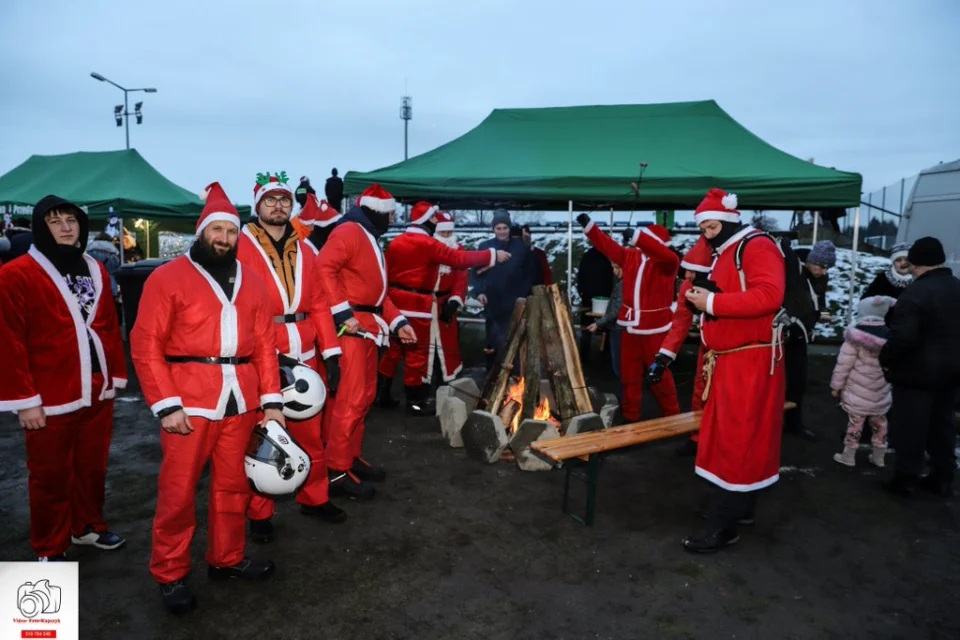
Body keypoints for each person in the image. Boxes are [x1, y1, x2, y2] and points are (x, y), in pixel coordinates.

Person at [131, 182, 284, 613]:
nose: (224, 238)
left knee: (233, 486)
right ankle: (170, 572)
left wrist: (271, 402)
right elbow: (145, 344)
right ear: (201, 232)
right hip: (189, 403)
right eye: (216, 230)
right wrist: (167, 405)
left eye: (231, 232)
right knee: (178, 492)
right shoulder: (167, 277)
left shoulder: (252, 282)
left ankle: (227, 558)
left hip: (242, 400)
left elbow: (266, 347)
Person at [0, 195, 127, 561]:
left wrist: (114, 377)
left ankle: (86, 527)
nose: (66, 227)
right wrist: (25, 402)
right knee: (50, 477)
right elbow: (8, 341)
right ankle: (50, 546)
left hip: (96, 388)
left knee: (91, 467)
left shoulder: (96, 268)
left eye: (71, 220)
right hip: (48, 395)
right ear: (42, 227)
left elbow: (106, 326)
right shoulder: (15, 275)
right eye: (56, 222)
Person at [238, 173, 347, 543]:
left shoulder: (307, 249)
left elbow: (318, 302)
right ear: (258, 206)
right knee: (265, 435)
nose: (279, 205)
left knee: (311, 436)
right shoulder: (240, 245)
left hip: (306, 352)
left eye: (284, 199)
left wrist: (331, 352)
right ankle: (259, 511)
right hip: (262, 353)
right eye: (270, 200)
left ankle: (315, 497)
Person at [682, 188, 786, 553]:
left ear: (728, 221)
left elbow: (769, 294)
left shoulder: (756, 246)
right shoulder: (729, 250)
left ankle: (725, 525)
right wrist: (707, 300)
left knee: (739, 438)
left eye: (711, 228)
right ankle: (738, 507)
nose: (707, 235)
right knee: (738, 436)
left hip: (750, 362)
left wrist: (710, 301)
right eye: (704, 229)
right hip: (734, 360)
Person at [315, 184, 418, 500]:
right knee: (350, 400)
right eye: (390, 213)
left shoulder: (367, 236)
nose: (393, 218)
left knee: (363, 398)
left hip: (369, 328)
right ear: (378, 211)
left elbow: (378, 295)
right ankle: (335, 470)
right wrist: (342, 313)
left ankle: (349, 458)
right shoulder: (349, 232)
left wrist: (398, 322)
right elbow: (323, 268)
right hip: (353, 330)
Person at [382, 201, 508, 414]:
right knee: (417, 354)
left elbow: (459, 278)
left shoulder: (396, 243)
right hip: (420, 306)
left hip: (399, 306)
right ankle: (414, 402)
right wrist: (492, 255)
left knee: (404, 351)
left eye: (450, 231)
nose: (447, 234)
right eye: (442, 229)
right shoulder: (430, 246)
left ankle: (384, 393)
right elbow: (459, 260)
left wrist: (454, 300)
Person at [576, 214, 681, 422]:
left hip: (655, 329)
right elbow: (607, 246)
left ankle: (673, 416)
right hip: (629, 328)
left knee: (659, 376)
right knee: (628, 376)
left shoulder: (668, 262)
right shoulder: (631, 256)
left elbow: (666, 256)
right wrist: (589, 226)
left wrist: (639, 237)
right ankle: (630, 416)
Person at [879, 237, 960, 498]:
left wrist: (886, 359)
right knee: (943, 425)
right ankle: (942, 476)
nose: (910, 268)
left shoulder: (914, 293)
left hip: (916, 374)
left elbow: (902, 337)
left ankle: (906, 478)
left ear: (919, 264)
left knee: (910, 427)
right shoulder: (957, 287)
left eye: (912, 263)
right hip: (952, 373)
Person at [647, 236, 715, 456]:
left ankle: (720, 441)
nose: (686, 276)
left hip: (732, 350)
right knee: (699, 392)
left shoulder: (726, 282)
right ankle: (696, 438)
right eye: (685, 270)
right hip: (707, 349)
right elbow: (680, 323)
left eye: (692, 272)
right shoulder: (688, 286)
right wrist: (663, 358)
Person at [830, 296, 896, 468]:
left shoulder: (854, 337)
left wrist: (836, 387)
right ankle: (879, 457)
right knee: (880, 424)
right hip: (881, 393)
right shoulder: (891, 336)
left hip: (857, 394)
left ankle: (848, 456)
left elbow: (843, 365)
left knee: (855, 425)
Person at [783, 240, 835, 441]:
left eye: (827, 268)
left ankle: (794, 422)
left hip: (802, 335)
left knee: (798, 381)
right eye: (821, 266)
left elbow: (819, 301)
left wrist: (822, 313)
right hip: (785, 330)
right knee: (774, 381)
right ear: (810, 261)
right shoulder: (793, 270)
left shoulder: (820, 276)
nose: (823, 272)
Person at [474, 210, 531, 371]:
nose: (501, 231)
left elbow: (530, 275)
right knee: (492, 339)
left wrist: (525, 296)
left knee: (514, 338)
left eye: (504, 228)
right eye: (498, 228)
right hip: (492, 301)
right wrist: (480, 292)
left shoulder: (521, 248)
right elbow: (476, 273)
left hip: (515, 302)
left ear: (509, 228)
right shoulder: (485, 247)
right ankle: (491, 374)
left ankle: (515, 374)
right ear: (493, 229)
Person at [576, 245, 615, 364]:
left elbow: (580, 277)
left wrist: (582, 293)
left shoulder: (587, 256)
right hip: (605, 297)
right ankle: (605, 354)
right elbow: (610, 279)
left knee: (586, 327)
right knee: (607, 326)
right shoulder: (607, 257)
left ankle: (584, 355)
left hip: (588, 296)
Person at [586, 263, 623, 382]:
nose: (614, 271)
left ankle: (626, 397)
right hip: (618, 328)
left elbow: (617, 310)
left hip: (619, 329)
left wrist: (598, 323)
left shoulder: (624, 285)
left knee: (620, 368)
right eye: (613, 267)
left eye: (617, 268)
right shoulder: (623, 283)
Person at [87, 232, 121, 299]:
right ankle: (113, 295)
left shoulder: (90, 249)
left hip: (93, 286)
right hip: (110, 286)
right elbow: (115, 270)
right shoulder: (112, 250)